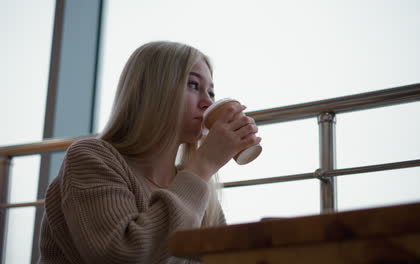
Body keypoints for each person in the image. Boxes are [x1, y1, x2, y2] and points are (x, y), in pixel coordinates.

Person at [38, 41, 261, 263]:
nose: (207, 103)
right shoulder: (91, 157)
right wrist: (204, 164)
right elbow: (123, 254)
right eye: (193, 85)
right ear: (152, 91)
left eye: (211, 92)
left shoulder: (194, 184)